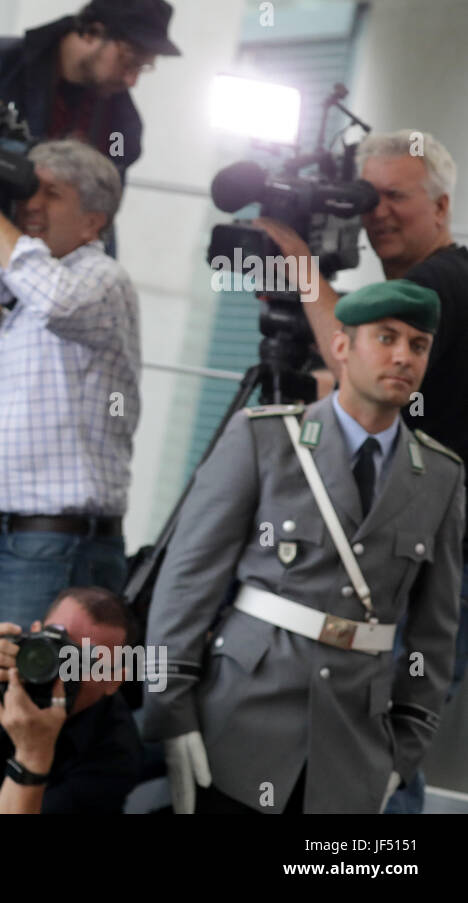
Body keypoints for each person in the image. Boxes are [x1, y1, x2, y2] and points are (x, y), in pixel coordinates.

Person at [141, 280, 464, 814]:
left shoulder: (440, 477)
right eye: (386, 338)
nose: (403, 356)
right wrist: (170, 711)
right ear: (342, 346)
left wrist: (403, 752)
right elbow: (188, 583)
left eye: (418, 345)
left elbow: (435, 636)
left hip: (352, 748)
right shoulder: (265, 440)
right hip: (240, 723)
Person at [255, 130, 468, 812]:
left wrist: (301, 271)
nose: (377, 213)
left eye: (396, 197)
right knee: (384, 736)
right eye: (367, 197)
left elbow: (358, 369)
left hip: (429, 559)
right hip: (429, 555)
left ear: (441, 207)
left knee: (379, 740)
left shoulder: (440, 281)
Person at [0, 139, 139, 633]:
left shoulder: (102, 277)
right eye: (31, 190)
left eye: (52, 193)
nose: (31, 204)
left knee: (25, 698)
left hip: (55, 543)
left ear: (95, 220)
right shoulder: (30, 288)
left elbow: (58, 304)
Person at [0, 0, 180, 181]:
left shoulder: (123, 122)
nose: (132, 79)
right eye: (129, 60)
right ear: (93, 32)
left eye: (144, 67)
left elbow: (100, 216)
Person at [0, 586, 143, 814]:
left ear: (114, 681)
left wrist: (33, 758)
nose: (64, 670)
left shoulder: (115, 757)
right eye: (58, 646)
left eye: (88, 663)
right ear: (35, 631)